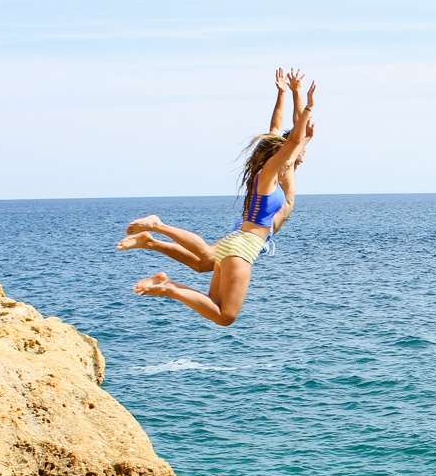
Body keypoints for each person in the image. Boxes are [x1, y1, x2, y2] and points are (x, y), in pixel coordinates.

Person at [118, 68, 316, 325]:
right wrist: (306, 104)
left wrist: (285, 94)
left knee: (209, 279)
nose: (299, 155)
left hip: (237, 242)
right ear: (278, 156)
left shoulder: (268, 175)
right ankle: (165, 271)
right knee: (225, 315)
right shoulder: (270, 176)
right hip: (243, 247)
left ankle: (159, 263)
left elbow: (280, 131)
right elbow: (291, 141)